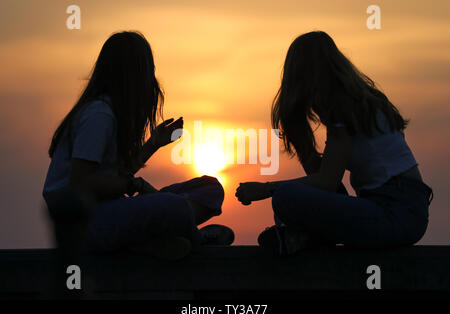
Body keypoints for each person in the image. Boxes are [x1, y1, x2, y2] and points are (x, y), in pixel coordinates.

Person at [235, 31, 433, 256]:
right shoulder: (357, 102)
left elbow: (326, 182)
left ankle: (303, 238)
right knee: (295, 196)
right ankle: (301, 238)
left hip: (395, 212)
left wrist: (265, 188)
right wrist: (300, 138)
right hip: (397, 211)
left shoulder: (345, 108)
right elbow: (324, 179)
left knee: (286, 196)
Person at [43, 31, 234, 261]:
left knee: (211, 189)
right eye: (147, 71)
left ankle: (148, 244)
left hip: (107, 211)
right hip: (84, 225)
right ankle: (195, 240)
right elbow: (80, 182)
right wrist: (132, 184)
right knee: (175, 207)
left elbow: (111, 175)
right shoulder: (99, 115)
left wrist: (153, 144)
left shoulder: (107, 113)